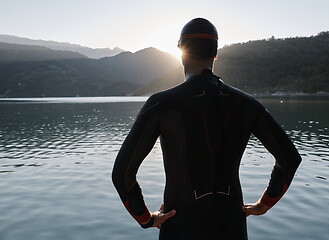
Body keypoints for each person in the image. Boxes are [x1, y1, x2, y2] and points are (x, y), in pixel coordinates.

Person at [112, 18, 301, 240]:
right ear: (215, 54)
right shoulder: (246, 104)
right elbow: (289, 158)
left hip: (180, 229)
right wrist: (264, 204)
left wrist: (147, 219)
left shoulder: (161, 104)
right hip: (232, 228)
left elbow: (122, 174)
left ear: (181, 51)